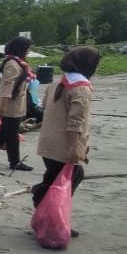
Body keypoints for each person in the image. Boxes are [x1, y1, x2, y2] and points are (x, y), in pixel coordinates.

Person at [32, 47, 101, 235]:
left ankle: (45, 211)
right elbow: (75, 123)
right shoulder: (80, 88)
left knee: (54, 178)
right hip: (63, 144)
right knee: (69, 179)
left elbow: (45, 108)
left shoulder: (59, 83)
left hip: (48, 143)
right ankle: (51, 216)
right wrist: (74, 149)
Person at [0, 36, 34, 171]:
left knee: (4, 133)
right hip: (10, 104)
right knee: (12, 135)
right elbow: (6, 87)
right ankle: (14, 162)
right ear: (21, 49)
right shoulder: (12, 64)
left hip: (15, 103)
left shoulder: (17, 62)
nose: (29, 51)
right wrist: (4, 104)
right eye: (27, 48)